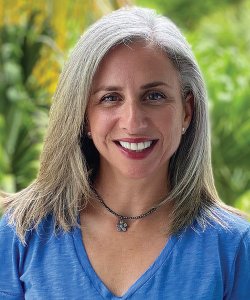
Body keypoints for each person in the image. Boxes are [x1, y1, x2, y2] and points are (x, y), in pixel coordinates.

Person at [0, 6, 249, 300]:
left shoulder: (233, 247)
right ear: (82, 115)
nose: (132, 122)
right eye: (110, 98)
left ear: (187, 111)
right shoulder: (19, 234)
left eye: (154, 96)